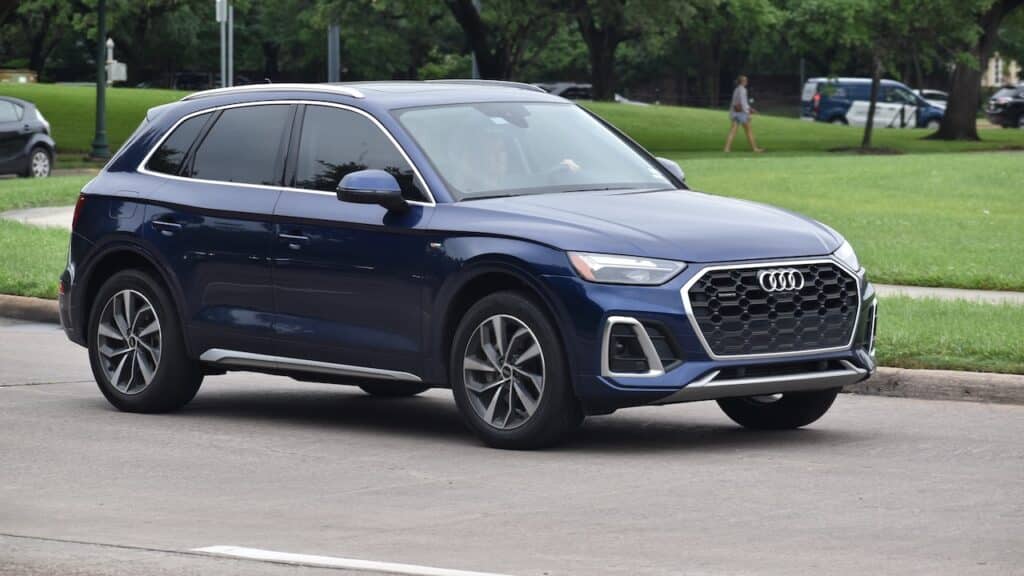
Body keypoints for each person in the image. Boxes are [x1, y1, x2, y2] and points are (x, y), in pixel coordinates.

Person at [724, 75, 764, 153]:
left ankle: (726, 149)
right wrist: (748, 112)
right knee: (749, 131)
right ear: (742, 81)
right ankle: (755, 149)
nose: (747, 81)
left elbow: (735, 103)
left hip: (735, 113)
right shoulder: (743, 90)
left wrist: (750, 109)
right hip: (741, 113)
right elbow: (743, 103)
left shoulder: (736, 89)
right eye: (745, 80)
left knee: (732, 132)